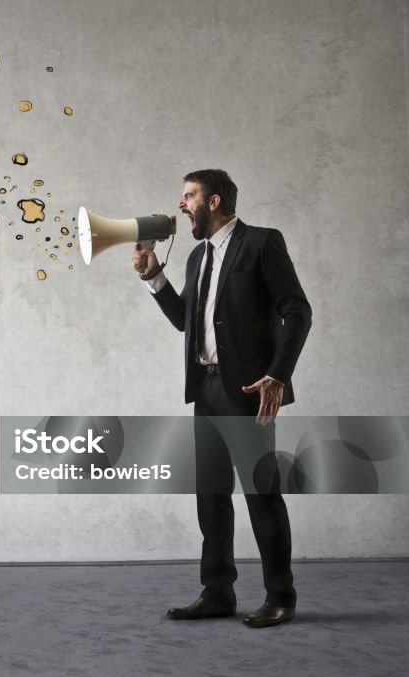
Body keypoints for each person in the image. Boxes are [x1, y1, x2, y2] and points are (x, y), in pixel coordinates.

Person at [133, 169, 311, 628]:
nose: (180, 204)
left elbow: (298, 312)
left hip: (250, 391)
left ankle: (281, 596)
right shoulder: (195, 257)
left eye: (188, 195)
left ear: (213, 202)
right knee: (210, 494)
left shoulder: (261, 242)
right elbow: (184, 323)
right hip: (206, 389)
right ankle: (217, 593)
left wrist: (277, 375)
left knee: (261, 493)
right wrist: (155, 279)